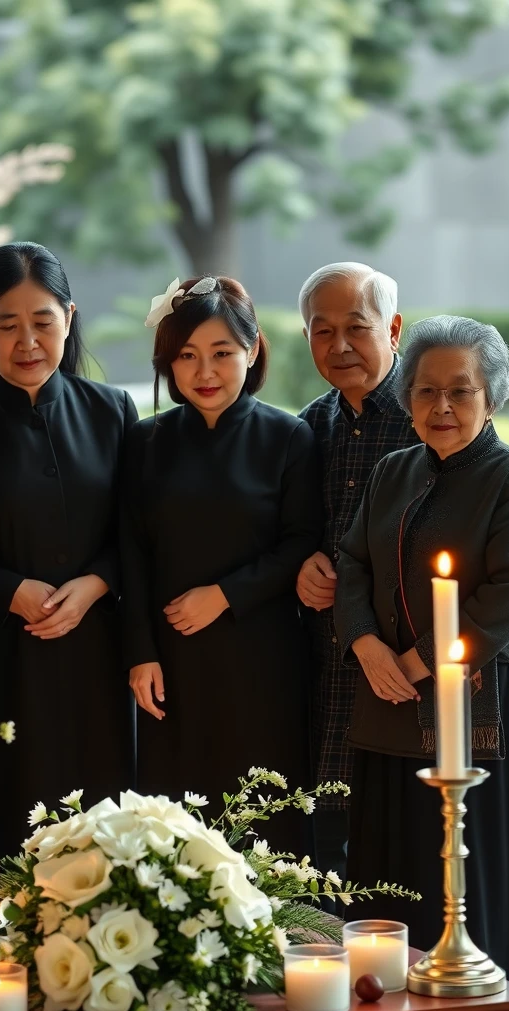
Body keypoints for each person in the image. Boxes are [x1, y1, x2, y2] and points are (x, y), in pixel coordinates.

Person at [334, 315, 509, 1009]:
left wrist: (420, 661)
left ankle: (482, 1006)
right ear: (407, 397)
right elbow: (351, 562)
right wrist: (366, 644)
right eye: (426, 391)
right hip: (386, 693)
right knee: (392, 863)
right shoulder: (392, 471)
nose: (443, 407)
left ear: (493, 396)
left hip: (476, 696)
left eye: (462, 391)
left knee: (471, 865)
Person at [0, 242, 137, 859]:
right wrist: (11, 590)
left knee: (104, 837)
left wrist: (97, 583)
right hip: (0, 661)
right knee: (11, 834)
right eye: (6, 325)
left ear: (69, 317)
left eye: (43, 322)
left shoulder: (113, 411)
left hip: (99, 657)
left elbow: (138, 529)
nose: (28, 342)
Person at [122, 275, 322, 855]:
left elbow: (302, 541)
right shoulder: (144, 441)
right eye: (187, 356)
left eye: (222, 353)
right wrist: (140, 653)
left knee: (262, 817)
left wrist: (226, 594)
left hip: (262, 657)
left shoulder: (289, 437)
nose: (205, 372)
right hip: (170, 661)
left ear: (252, 350)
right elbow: (131, 552)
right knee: (173, 823)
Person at [295, 262, 419, 876]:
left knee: (396, 842)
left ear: (393, 329)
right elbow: (288, 533)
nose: (339, 345)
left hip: (401, 663)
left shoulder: (428, 422)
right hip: (323, 666)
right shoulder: (307, 428)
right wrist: (301, 566)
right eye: (322, 331)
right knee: (322, 838)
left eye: (357, 327)